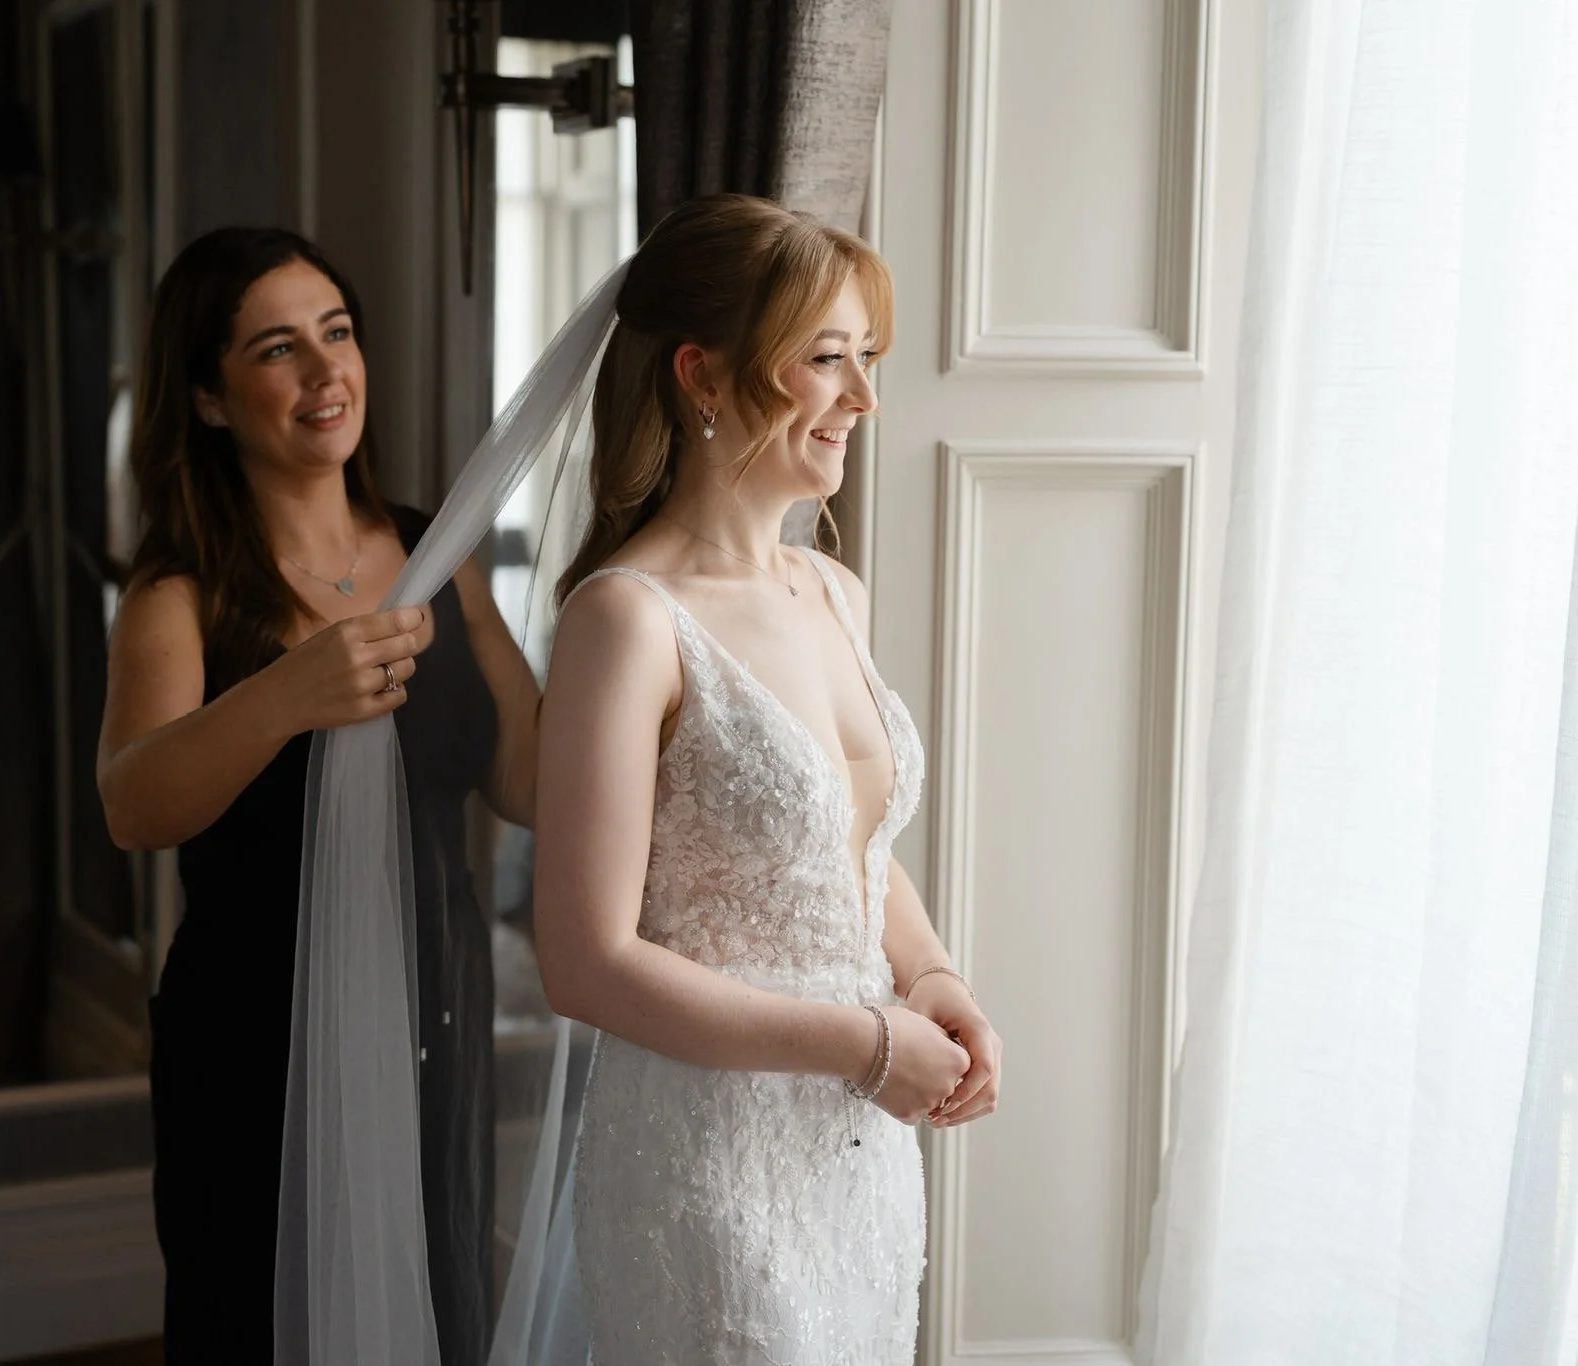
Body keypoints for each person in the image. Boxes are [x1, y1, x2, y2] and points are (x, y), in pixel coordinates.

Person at [533, 193, 1005, 1362]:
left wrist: (932, 974)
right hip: (704, 1163)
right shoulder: (626, 622)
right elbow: (582, 961)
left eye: (866, 360)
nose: (863, 398)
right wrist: (865, 1043)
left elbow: (851, 847)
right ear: (703, 374)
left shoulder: (830, 590)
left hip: (855, 1158)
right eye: (826, 360)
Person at [95, 226, 539, 1364]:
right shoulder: (177, 597)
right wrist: (286, 694)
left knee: (439, 1299)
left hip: (436, 1016)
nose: (324, 371)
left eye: (335, 333)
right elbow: (132, 807)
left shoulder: (436, 552)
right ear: (206, 397)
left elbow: (527, 778)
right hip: (255, 1047)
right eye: (277, 349)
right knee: (257, 1320)